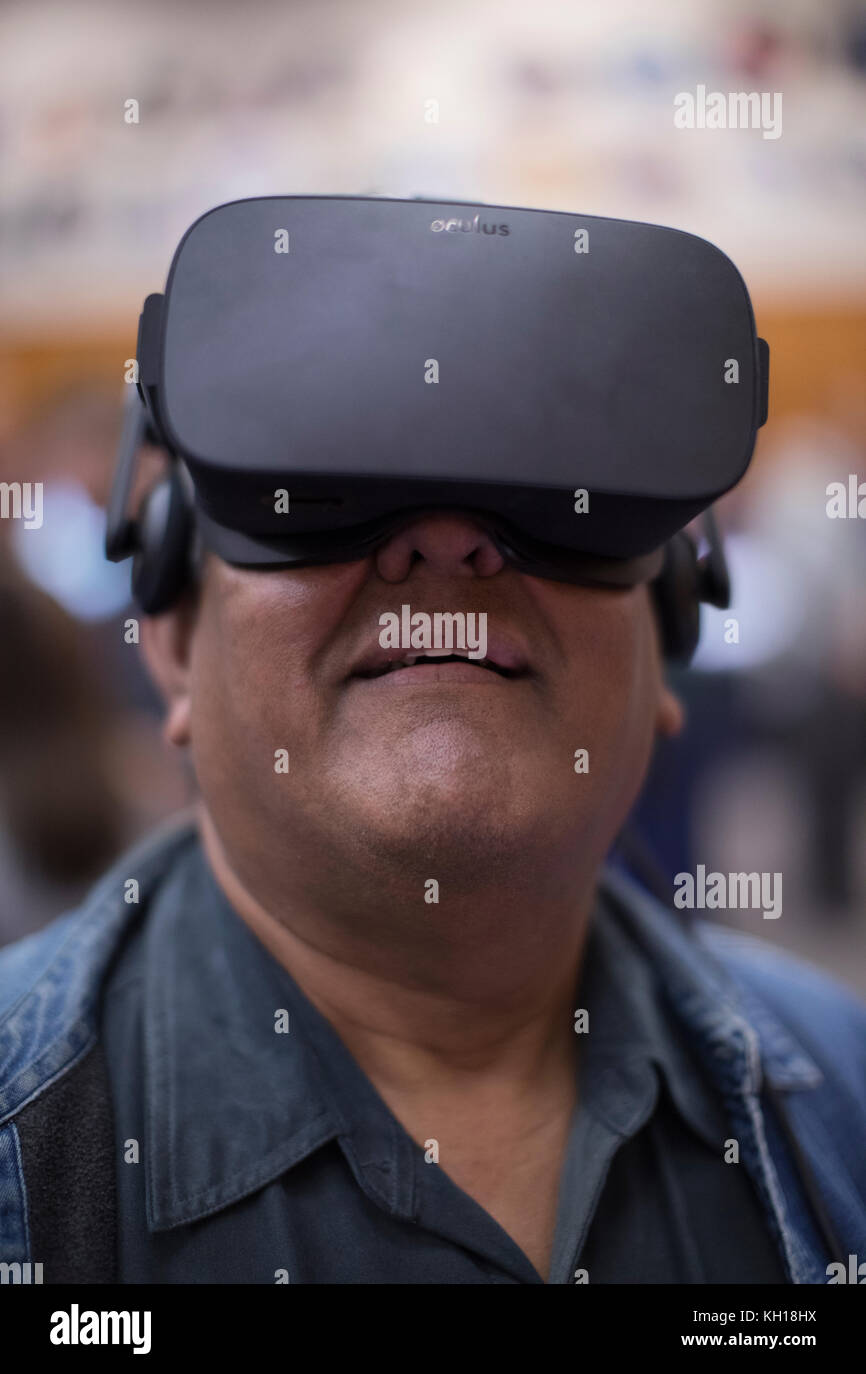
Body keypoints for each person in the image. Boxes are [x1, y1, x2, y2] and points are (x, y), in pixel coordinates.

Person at [1, 509, 865, 1284]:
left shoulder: (848, 1089)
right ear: (175, 640)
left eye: (541, 484)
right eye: (331, 482)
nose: (448, 542)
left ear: (667, 624)